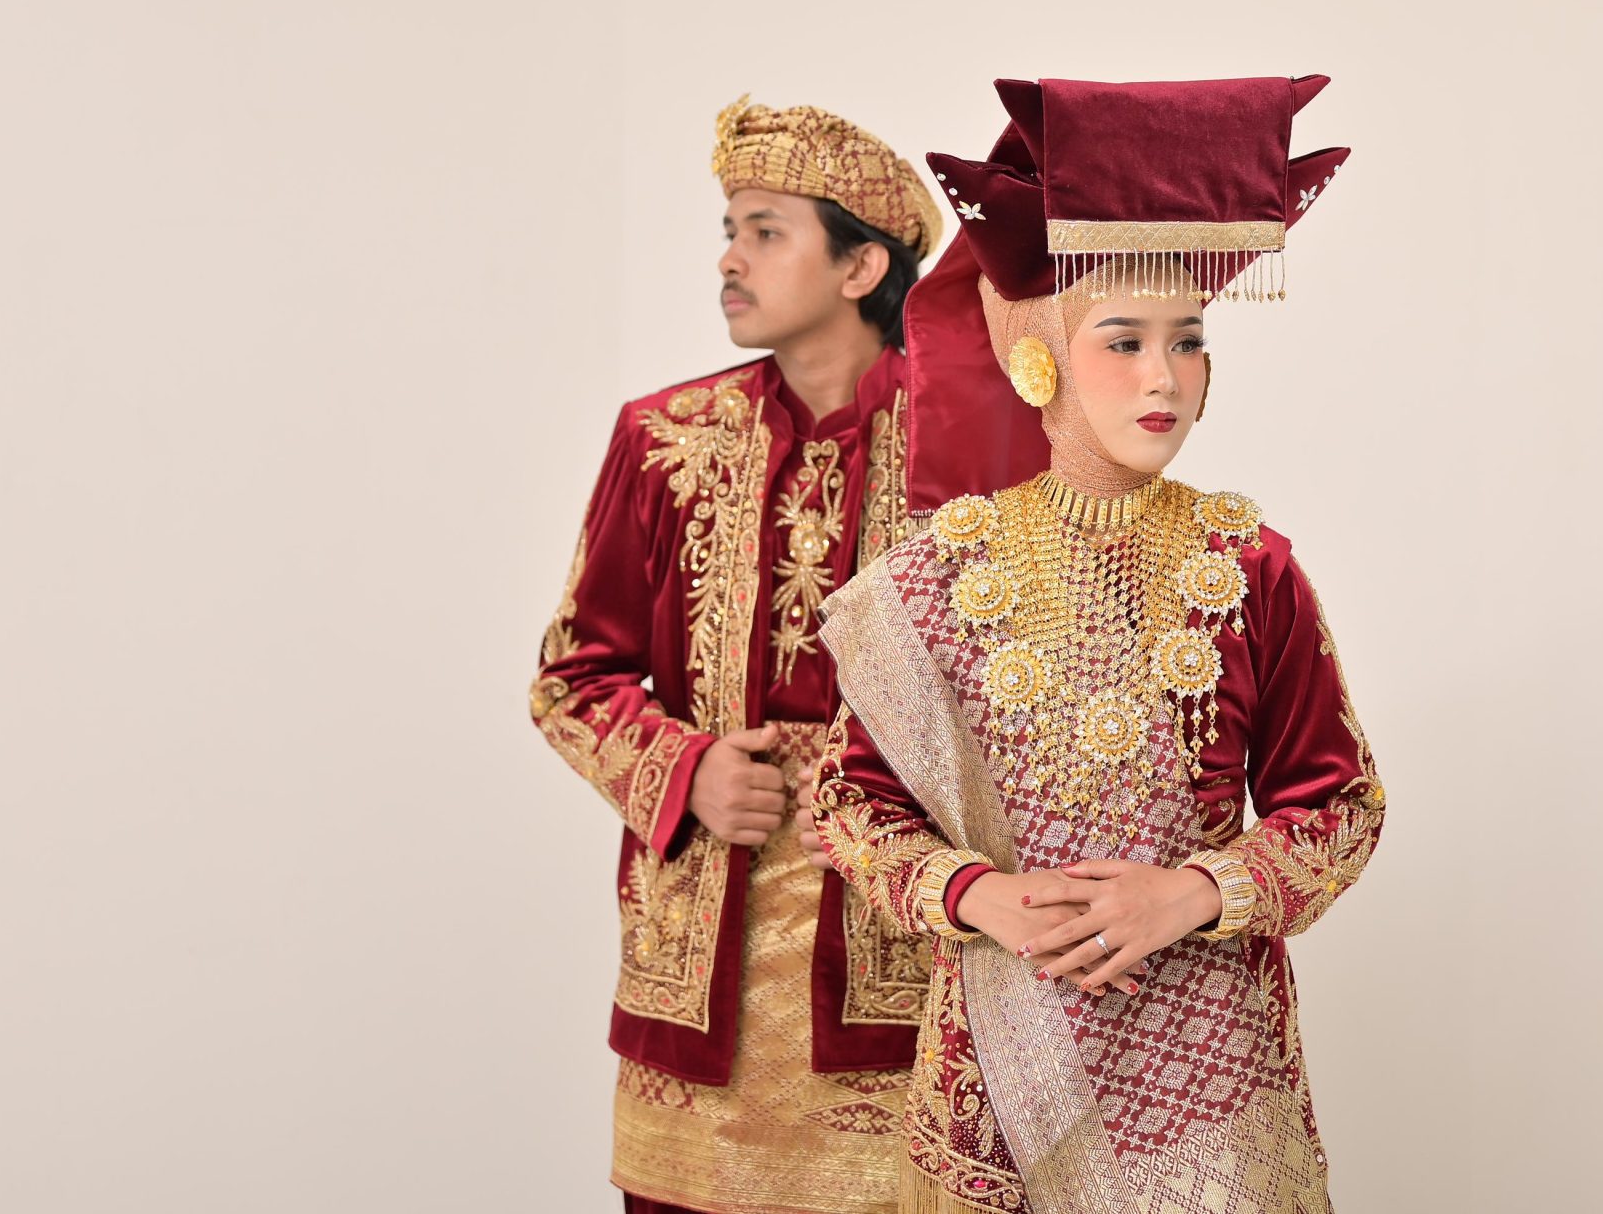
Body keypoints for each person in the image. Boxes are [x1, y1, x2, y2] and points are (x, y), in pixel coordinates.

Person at [809, 75, 1386, 1213]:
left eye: (1188, 341)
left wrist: (1193, 892)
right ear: (1040, 358)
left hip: (1212, 1082)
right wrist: (976, 893)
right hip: (1003, 1078)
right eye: (1123, 340)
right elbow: (850, 804)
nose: (1164, 375)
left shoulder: (1249, 565)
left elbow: (1340, 804)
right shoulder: (937, 575)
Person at [532, 96, 943, 1214]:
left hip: (905, 951)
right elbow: (570, 678)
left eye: (766, 231)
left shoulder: (970, 450)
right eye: (730, 229)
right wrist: (687, 767)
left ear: (861, 264)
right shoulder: (663, 438)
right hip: (699, 947)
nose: (729, 258)